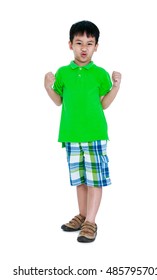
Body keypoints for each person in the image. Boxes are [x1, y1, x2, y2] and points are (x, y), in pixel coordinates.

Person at [44, 20, 121, 243]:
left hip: (94, 134)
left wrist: (116, 86)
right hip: (70, 135)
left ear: (96, 46)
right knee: (80, 180)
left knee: (95, 180)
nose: (84, 48)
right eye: (79, 42)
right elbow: (58, 101)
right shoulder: (63, 73)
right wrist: (47, 86)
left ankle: (91, 222)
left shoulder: (100, 74)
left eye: (89, 43)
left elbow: (104, 104)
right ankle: (83, 215)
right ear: (70, 45)